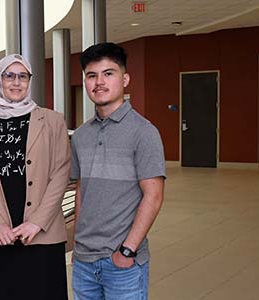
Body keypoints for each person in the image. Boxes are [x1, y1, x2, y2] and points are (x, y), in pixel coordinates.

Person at [0, 54, 71, 299]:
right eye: (9, 76)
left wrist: (37, 222)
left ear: (30, 81)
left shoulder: (53, 121)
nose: (16, 82)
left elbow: (61, 173)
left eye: (22, 76)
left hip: (42, 234)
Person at [70, 42, 166, 300]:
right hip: (83, 261)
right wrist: (78, 244)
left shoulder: (144, 132)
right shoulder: (80, 136)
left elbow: (153, 196)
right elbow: (82, 191)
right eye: (92, 75)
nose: (99, 82)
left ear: (124, 79)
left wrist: (127, 251)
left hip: (123, 263)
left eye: (108, 73)